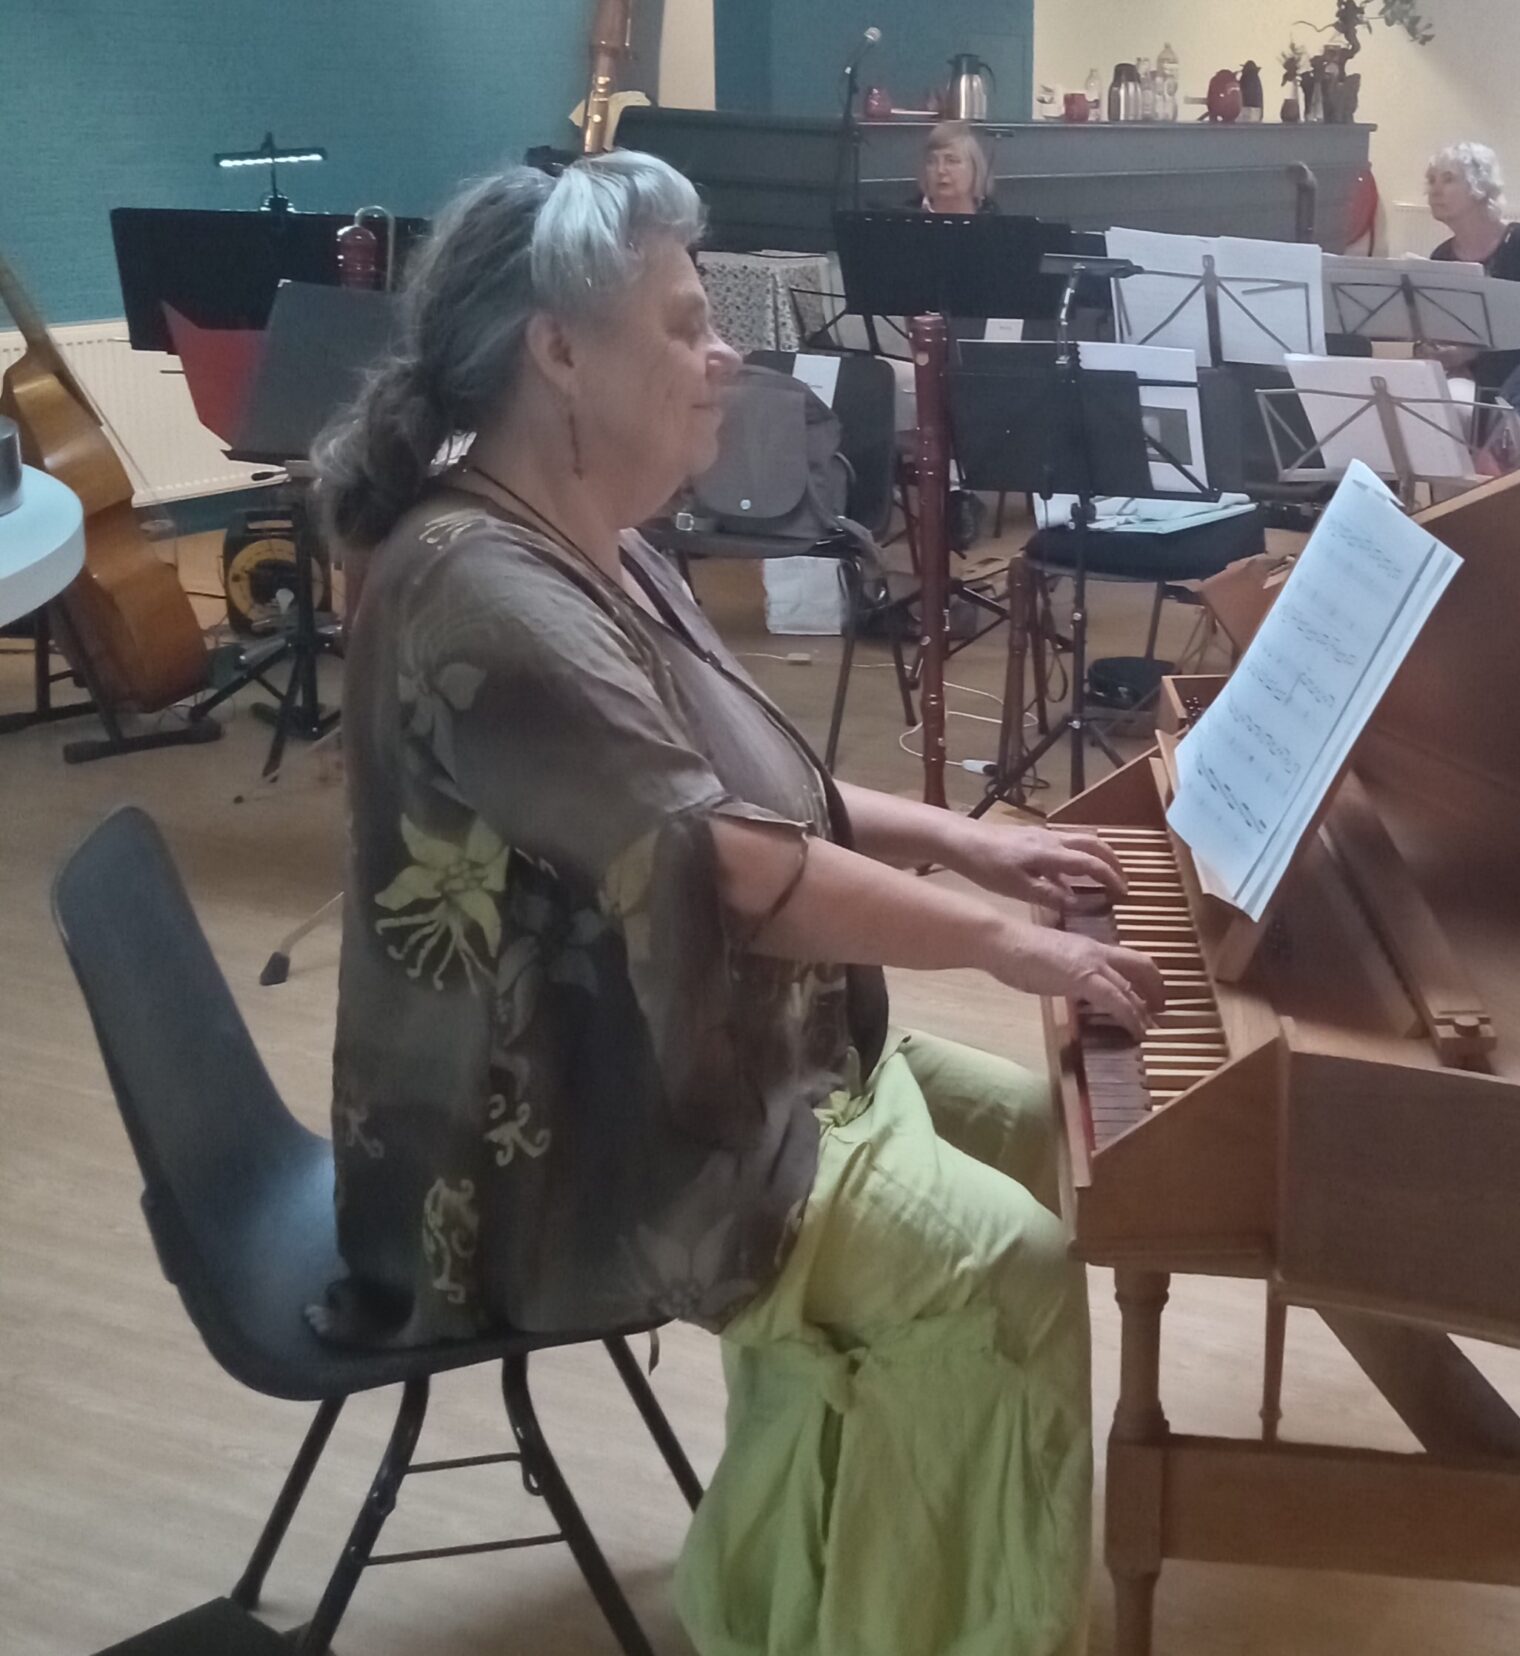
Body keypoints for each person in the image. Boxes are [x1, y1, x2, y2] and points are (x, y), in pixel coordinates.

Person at [310, 152, 1157, 1656]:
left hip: (681, 1057)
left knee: (1050, 1143)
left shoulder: (600, 545)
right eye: (687, 322)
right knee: (1007, 1271)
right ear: (559, 352)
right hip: (549, 1150)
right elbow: (725, 871)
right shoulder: (477, 590)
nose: (727, 355)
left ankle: (822, 1584)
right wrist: (1004, 943)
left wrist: (977, 852)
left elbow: (763, 801)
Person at [1425, 141, 1520, 350]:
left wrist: (1474, 356)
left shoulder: (1519, 242)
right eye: (1431, 181)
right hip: (1459, 377)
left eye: (1448, 180)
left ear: (1480, 187)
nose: (1434, 191)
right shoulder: (1441, 257)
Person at [915, 120, 996, 214]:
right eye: (932, 161)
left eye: (951, 161)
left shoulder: (996, 223)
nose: (940, 170)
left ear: (975, 168)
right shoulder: (902, 221)